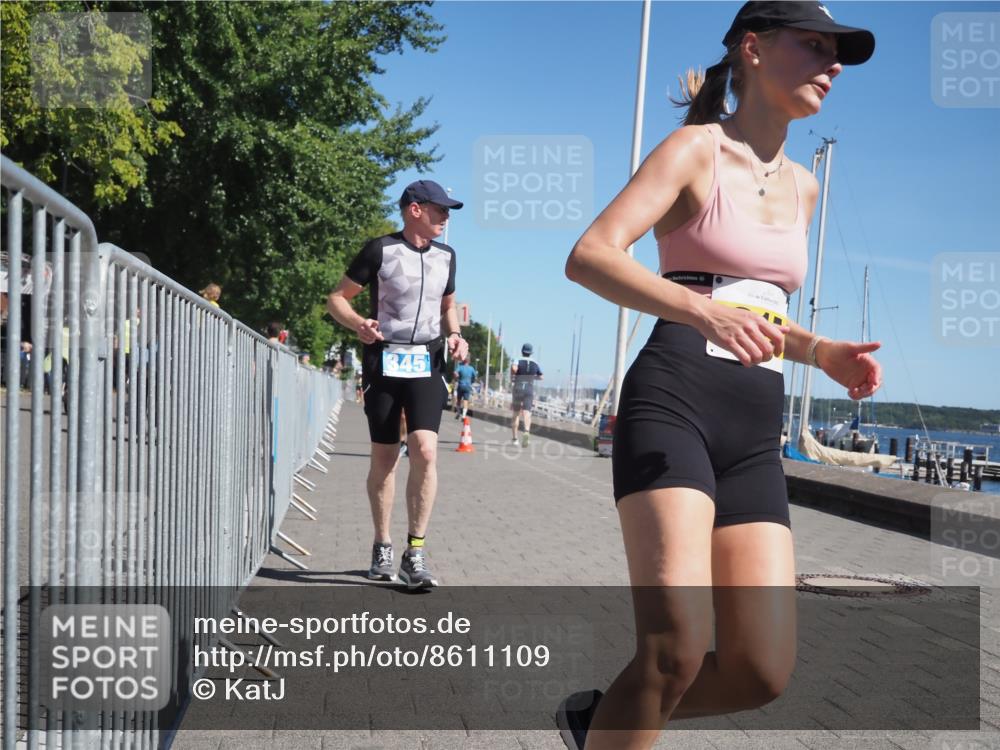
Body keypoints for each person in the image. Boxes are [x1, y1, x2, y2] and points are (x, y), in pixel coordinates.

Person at [557, 3, 880, 748]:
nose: (831, 66)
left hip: (753, 431)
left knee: (760, 670)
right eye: (816, 47)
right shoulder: (695, 150)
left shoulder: (805, 185)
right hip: (674, 402)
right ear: (755, 50)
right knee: (672, 648)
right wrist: (699, 311)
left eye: (839, 55)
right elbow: (591, 255)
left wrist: (819, 350)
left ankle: (600, 719)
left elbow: (757, 313)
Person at [326, 179, 468, 589]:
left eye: (448, 210)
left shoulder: (447, 256)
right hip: (385, 361)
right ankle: (382, 542)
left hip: (426, 360)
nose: (446, 216)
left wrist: (455, 333)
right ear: (415, 210)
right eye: (440, 209)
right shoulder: (380, 250)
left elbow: (447, 305)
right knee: (385, 459)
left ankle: (415, 551)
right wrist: (359, 324)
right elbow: (337, 298)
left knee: (425, 449)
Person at [510, 343, 543, 446]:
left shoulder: (517, 359)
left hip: (518, 387)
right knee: (527, 412)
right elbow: (541, 377)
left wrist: (513, 374)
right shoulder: (535, 363)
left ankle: (515, 439)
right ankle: (526, 432)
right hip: (529, 388)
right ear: (531, 353)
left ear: (522, 351)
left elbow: (514, 369)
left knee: (516, 414)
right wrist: (532, 377)